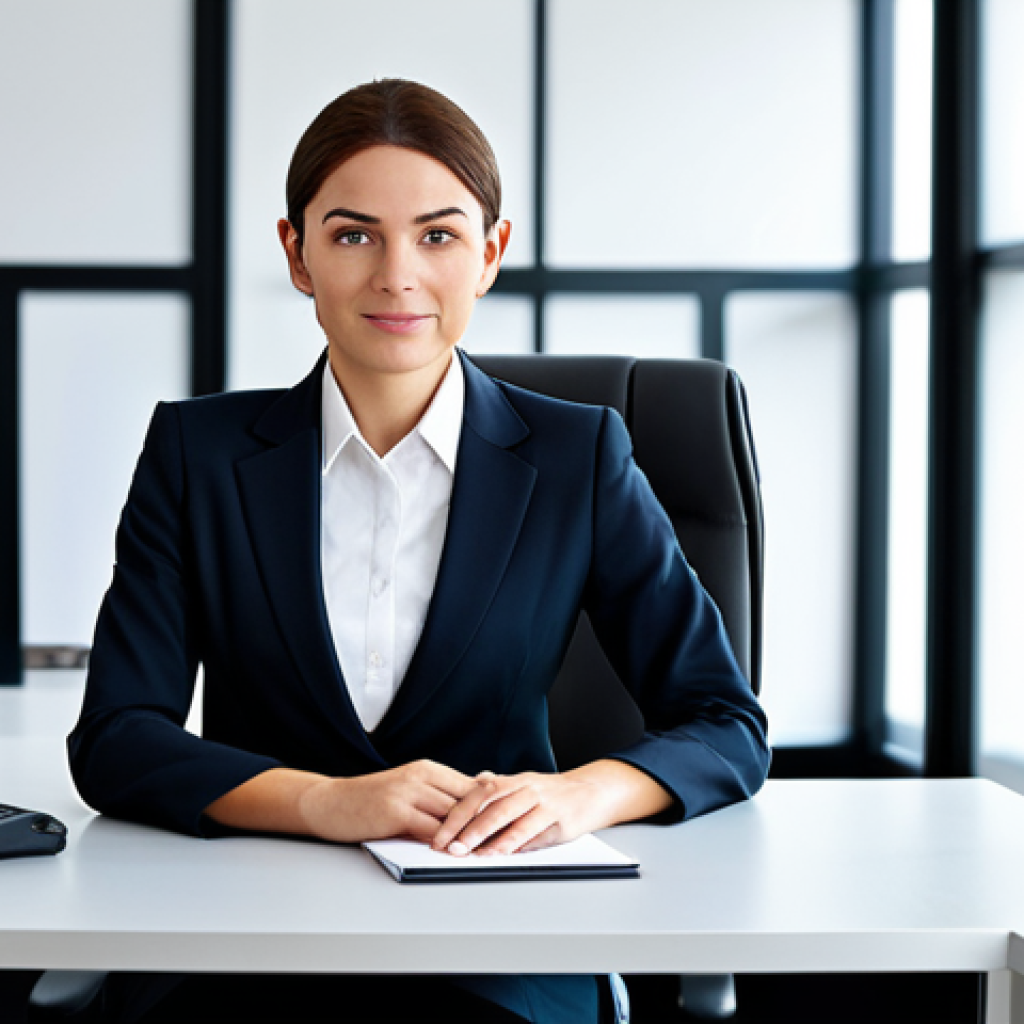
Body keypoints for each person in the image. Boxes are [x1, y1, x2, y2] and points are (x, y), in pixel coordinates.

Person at [68, 79, 770, 1023]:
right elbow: (116, 739)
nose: (397, 274)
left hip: (498, 953)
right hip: (240, 948)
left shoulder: (579, 458)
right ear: (298, 253)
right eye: (353, 234)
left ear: (490, 254)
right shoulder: (199, 456)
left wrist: (578, 798)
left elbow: (725, 721)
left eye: (438, 236)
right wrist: (326, 802)